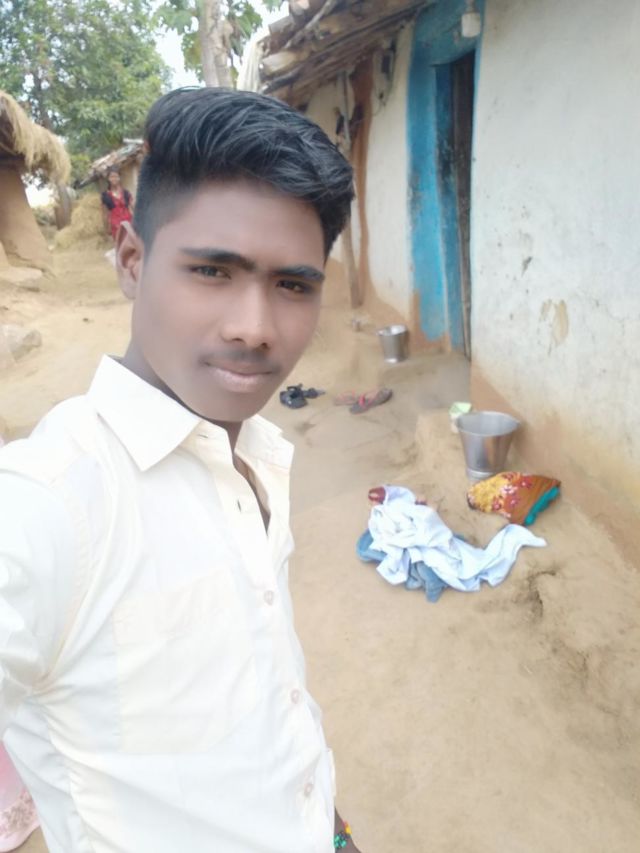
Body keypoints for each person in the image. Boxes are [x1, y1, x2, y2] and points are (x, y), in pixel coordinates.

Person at [0, 87, 360, 852]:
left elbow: (266, 695)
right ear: (132, 261)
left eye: (293, 285)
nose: (255, 329)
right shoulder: (46, 504)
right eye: (212, 271)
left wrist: (329, 827)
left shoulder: (256, 451)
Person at [100, 167, 134, 241]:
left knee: (133, 244)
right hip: (116, 228)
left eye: (116, 176)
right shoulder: (105, 196)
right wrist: (106, 229)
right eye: (112, 177)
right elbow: (105, 214)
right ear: (108, 179)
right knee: (121, 246)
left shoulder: (126, 193)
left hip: (129, 225)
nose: (114, 179)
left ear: (119, 178)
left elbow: (133, 207)